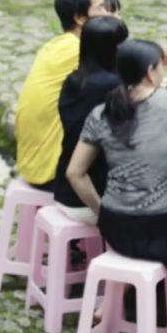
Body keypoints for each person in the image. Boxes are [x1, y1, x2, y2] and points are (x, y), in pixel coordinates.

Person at [66, 39, 167, 289]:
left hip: (115, 227)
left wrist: (102, 210)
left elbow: (75, 173)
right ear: (150, 72)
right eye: (160, 67)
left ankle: (115, 303)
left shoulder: (101, 112)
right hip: (162, 227)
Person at [15, 0, 108, 191]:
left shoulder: (56, 46)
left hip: (32, 165)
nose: (109, 14)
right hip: (50, 174)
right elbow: (140, 62)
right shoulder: (77, 49)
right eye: (101, 7)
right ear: (80, 18)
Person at [53, 16, 129, 224]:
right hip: (91, 198)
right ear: (112, 49)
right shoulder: (113, 86)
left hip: (63, 191)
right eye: (123, 43)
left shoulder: (74, 79)